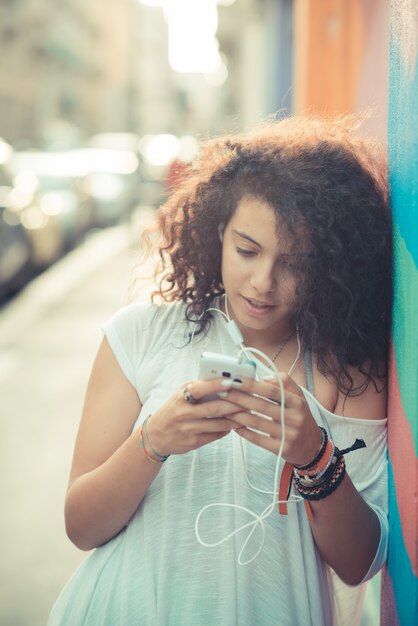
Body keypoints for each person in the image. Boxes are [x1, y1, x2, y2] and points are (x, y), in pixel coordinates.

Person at [48, 115, 392, 626]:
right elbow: (81, 527)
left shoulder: (348, 371)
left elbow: (359, 564)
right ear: (217, 233)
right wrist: (152, 442)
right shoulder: (140, 334)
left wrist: (314, 457)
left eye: (295, 264)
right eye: (247, 250)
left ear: (330, 266)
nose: (263, 282)